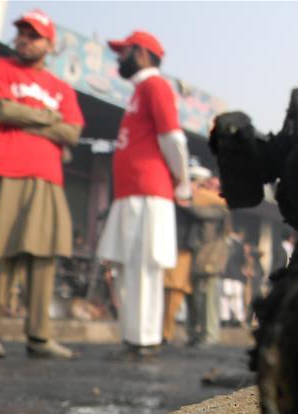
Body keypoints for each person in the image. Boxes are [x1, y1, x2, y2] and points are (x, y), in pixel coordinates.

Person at [0, 9, 83, 359]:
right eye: (22, 33)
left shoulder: (62, 88)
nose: (25, 40)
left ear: (49, 43)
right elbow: (3, 111)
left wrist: (26, 118)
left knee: (43, 255)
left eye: (34, 35)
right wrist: (47, 119)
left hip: (47, 176)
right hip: (1, 169)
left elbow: (72, 131)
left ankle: (39, 336)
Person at [96, 30, 191, 359]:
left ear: (143, 53)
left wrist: (182, 181)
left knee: (145, 265)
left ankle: (145, 338)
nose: (119, 58)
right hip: (132, 191)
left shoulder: (156, 85)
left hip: (149, 191)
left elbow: (172, 138)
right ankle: (135, 335)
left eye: (124, 52)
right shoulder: (140, 90)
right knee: (128, 265)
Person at [161, 164, 211, 344]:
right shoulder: (183, 201)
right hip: (180, 251)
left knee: (178, 294)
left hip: (185, 251)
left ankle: (174, 333)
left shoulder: (187, 201)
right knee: (173, 292)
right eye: (200, 185)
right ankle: (166, 333)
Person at [187, 174, 230, 346]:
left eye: (214, 186)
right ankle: (198, 333)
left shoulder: (220, 207)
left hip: (211, 258)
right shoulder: (209, 203)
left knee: (209, 300)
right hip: (199, 257)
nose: (210, 188)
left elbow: (197, 210)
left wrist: (194, 191)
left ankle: (210, 335)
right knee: (197, 299)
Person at [220, 229, 247, 326]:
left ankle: (224, 318)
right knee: (237, 298)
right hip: (237, 275)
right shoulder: (240, 245)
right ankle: (237, 319)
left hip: (225, 275)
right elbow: (242, 261)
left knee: (224, 297)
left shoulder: (223, 243)